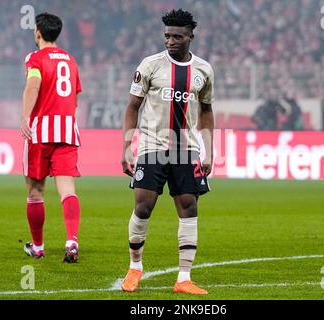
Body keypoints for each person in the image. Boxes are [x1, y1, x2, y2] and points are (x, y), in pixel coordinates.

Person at [120, 9, 214, 295]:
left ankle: (184, 277)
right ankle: (135, 268)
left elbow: (207, 111)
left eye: (177, 36)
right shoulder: (150, 65)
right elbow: (132, 107)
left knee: (189, 207)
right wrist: (127, 145)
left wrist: (208, 150)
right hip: (152, 144)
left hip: (186, 148)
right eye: (167, 36)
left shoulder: (203, 70)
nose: (170, 41)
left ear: (190, 37)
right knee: (143, 205)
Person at [20, 13, 82, 263]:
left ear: (38, 33)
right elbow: (75, 97)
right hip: (67, 130)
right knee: (67, 190)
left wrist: (25, 117)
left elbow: (33, 85)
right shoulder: (70, 59)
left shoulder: (35, 58)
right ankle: (72, 241)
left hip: (41, 132)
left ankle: (38, 247)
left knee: (35, 192)